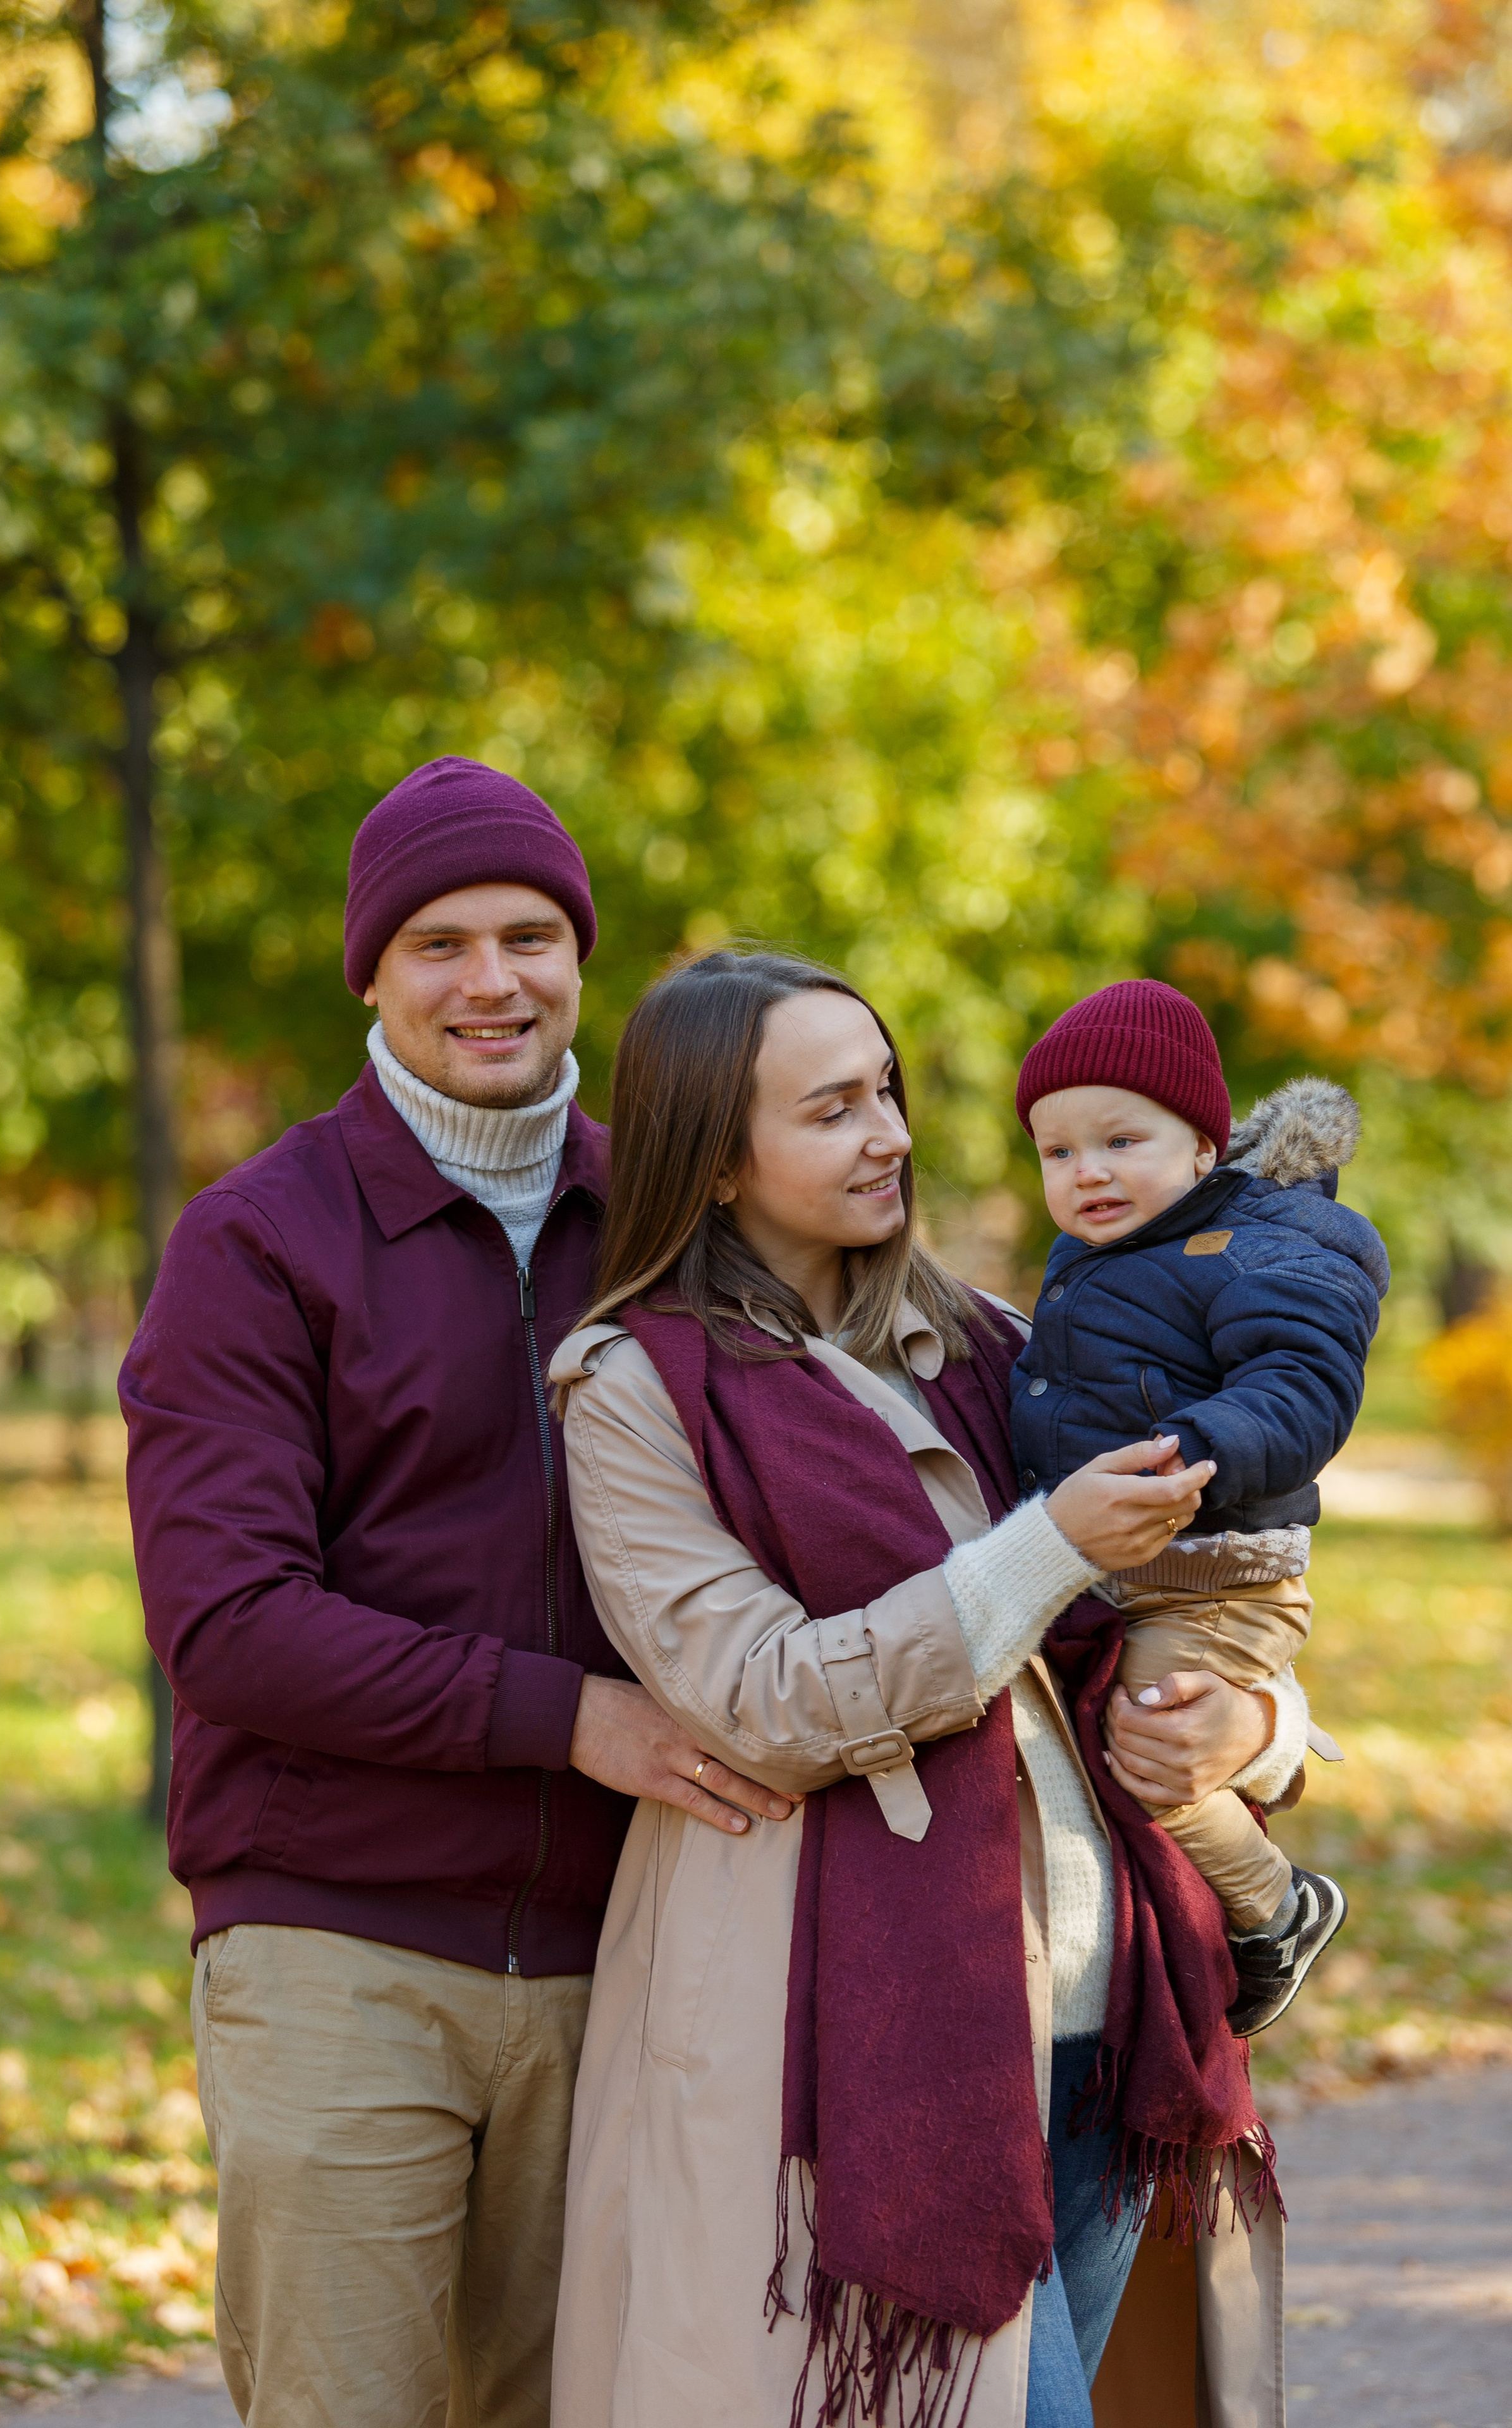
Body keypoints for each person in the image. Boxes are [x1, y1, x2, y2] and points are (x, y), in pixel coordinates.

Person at [547, 949, 1304, 2428]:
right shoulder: (633, 1391)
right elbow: (756, 1693)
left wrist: (1255, 1727)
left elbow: (1206, 1589)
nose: (889, 1134)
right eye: (831, 1109)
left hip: (1107, 2014)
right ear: (714, 1162)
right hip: (861, 2048)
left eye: (884, 1092)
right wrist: (1037, 1550)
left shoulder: (1001, 1344)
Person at [119, 760, 789, 2428]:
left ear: (580, 959)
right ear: (372, 971)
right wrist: (569, 1722)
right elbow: (230, 1625)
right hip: (338, 1944)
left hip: (627, 1956)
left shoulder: (671, 1222)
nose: (491, 981)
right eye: (438, 943)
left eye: (531, 936)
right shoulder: (262, 1243)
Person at [1011, 978, 1387, 2031]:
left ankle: (1279, 1905)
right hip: (1139, 1570)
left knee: (1150, 1750)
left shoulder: (1271, 1248)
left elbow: (1303, 1383)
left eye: (1121, 1141)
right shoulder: (1094, 1262)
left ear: (1204, 1152)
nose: (1088, 1172)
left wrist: (1201, 1449)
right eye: (1058, 1153)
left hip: (1221, 1575)